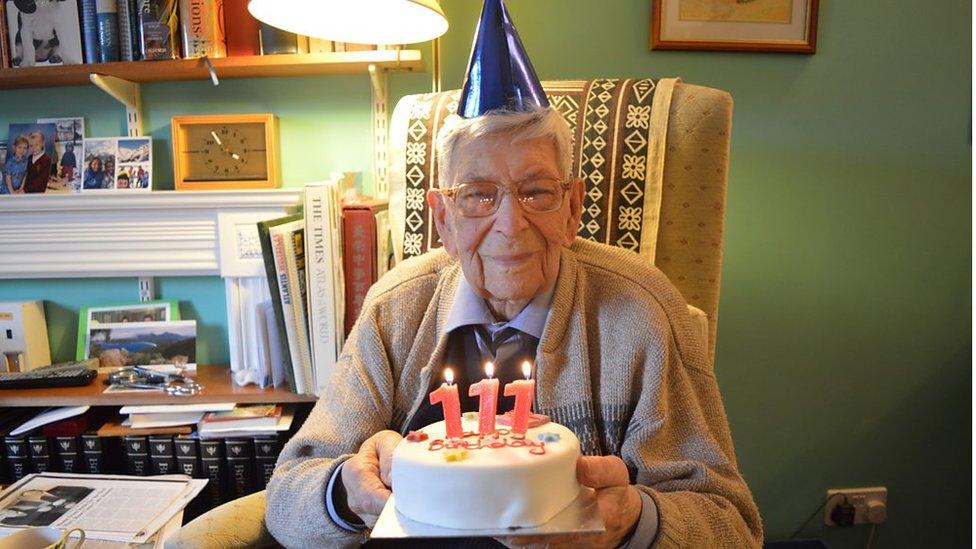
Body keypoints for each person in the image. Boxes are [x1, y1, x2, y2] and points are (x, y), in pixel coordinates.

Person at [266, 2, 761, 548]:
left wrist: (634, 521)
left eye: (536, 191)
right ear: (443, 219)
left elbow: (731, 524)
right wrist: (346, 492)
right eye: (478, 194)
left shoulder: (643, 312)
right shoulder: (395, 310)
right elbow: (288, 496)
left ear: (572, 208)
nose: (510, 224)